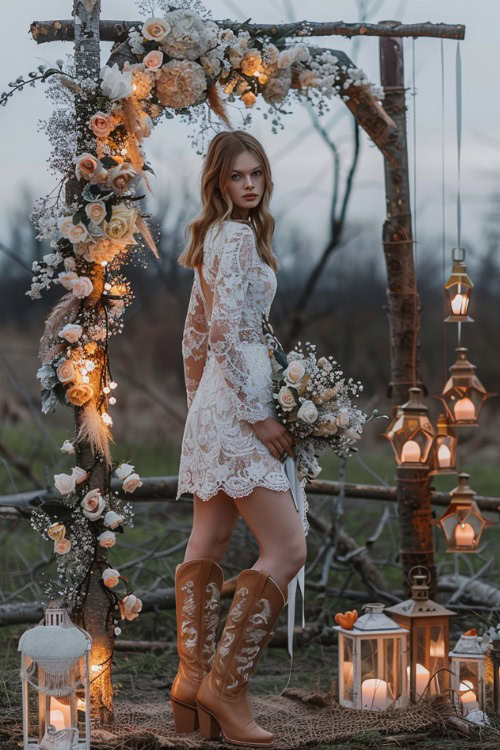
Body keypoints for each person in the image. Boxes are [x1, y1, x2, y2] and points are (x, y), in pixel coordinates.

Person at [171, 130, 307, 748]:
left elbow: (192, 337)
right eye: (236, 177)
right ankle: (225, 688)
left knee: (213, 537)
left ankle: (190, 684)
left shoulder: (214, 239)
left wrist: (199, 407)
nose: (249, 185)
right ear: (218, 182)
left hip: (215, 406)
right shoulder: (233, 236)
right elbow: (222, 330)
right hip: (237, 411)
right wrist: (252, 415)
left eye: (256, 174)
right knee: (288, 545)